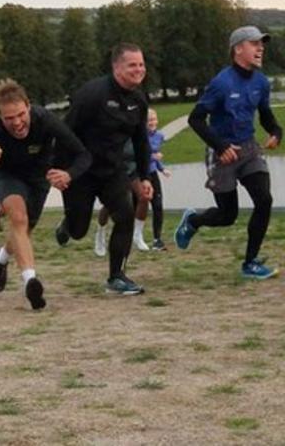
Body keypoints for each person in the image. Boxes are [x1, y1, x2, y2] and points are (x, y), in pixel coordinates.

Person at [175, 26, 282, 279]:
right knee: (227, 215)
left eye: (261, 44)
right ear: (238, 49)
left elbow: (265, 114)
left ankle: (250, 262)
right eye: (254, 43)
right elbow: (196, 119)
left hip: (249, 149)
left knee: (264, 200)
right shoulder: (221, 83)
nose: (260, 48)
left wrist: (276, 131)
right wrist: (220, 146)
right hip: (221, 151)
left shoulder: (260, 82)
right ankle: (193, 221)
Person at [0, 79, 91, 310]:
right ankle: (31, 282)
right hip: (9, 176)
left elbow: (83, 154)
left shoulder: (46, 120)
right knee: (18, 220)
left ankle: (1, 257)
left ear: (28, 106)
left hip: (38, 177)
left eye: (21, 114)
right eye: (9, 119)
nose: (17, 123)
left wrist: (68, 175)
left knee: (24, 230)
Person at [55, 43, 153, 295]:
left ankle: (116, 276)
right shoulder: (92, 94)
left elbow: (141, 140)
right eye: (132, 65)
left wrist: (144, 176)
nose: (139, 69)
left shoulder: (139, 99)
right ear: (116, 67)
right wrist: (61, 170)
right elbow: (64, 132)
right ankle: (68, 224)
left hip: (112, 170)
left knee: (125, 215)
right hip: (81, 171)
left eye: (141, 64)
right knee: (78, 231)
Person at [141, 109, 171, 251]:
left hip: (152, 173)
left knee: (157, 205)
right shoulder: (139, 136)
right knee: (138, 207)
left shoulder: (159, 136)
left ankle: (157, 239)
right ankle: (135, 236)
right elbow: (139, 155)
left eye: (154, 119)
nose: (152, 123)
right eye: (149, 120)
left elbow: (156, 156)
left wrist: (162, 169)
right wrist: (153, 157)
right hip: (140, 174)